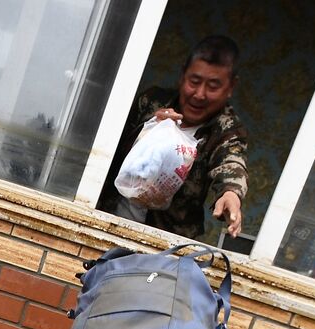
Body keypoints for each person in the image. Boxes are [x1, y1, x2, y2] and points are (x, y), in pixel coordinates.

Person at [98, 35, 248, 241]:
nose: (199, 94)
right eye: (194, 82)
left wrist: (231, 194)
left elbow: (231, 163)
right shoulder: (151, 102)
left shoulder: (227, 129)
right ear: (182, 76)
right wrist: (149, 131)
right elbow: (105, 148)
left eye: (213, 86)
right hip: (106, 221)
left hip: (165, 243)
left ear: (230, 87)